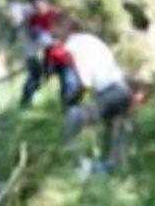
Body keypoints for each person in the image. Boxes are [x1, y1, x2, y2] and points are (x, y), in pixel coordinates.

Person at [49, 12, 133, 173]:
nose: (52, 32)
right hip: (123, 90)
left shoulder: (72, 46)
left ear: (62, 28)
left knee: (72, 119)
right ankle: (114, 170)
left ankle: (78, 167)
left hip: (108, 93)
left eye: (54, 28)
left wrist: (71, 100)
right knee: (114, 134)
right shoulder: (91, 39)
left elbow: (85, 82)